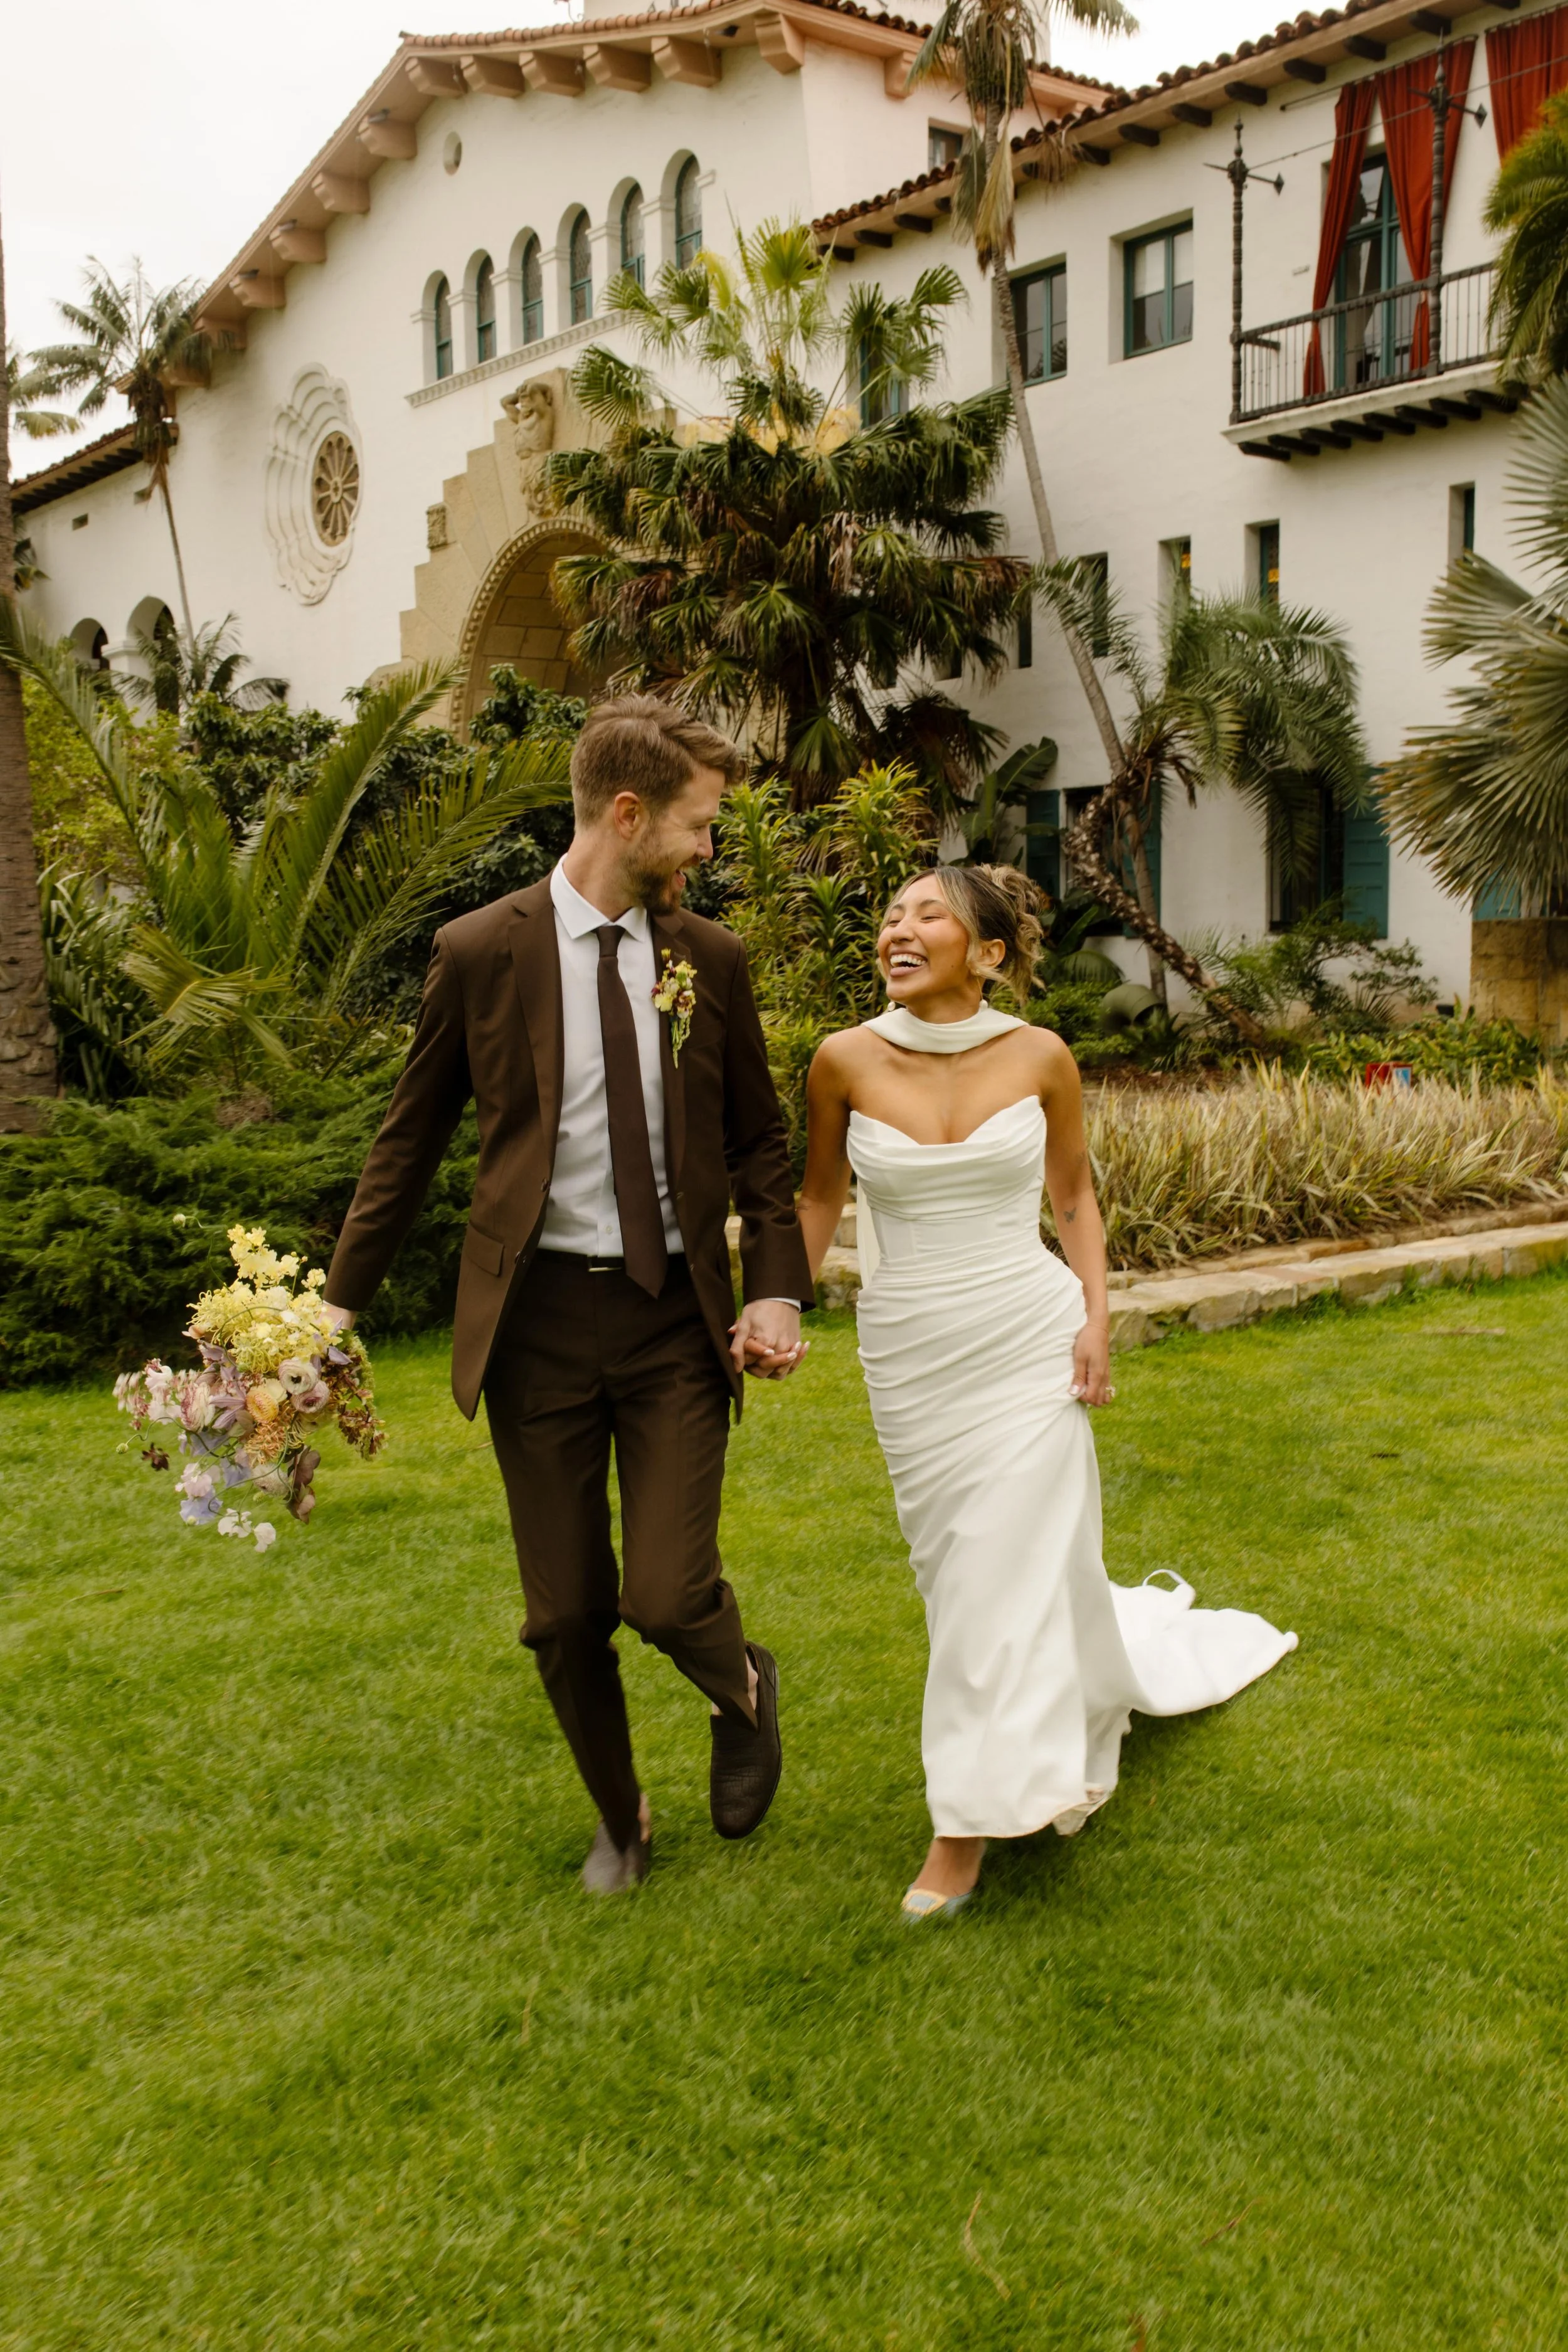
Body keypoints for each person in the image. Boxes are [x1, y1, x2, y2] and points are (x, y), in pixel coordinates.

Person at [322, 695, 813, 1895]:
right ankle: (621, 1816)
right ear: (630, 814)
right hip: (534, 1328)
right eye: (699, 826)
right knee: (564, 1613)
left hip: (670, 1326)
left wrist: (779, 1290)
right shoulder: (480, 950)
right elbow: (409, 1139)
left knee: (663, 1591)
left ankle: (742, 1687)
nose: (709, 850)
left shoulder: (710, 959)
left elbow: (760, 1140)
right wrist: (334, 1307)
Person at [796, 866, 1296, 1920]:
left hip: (1026, 1331)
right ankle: (1052, 1716)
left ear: (985, 950)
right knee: (960, 1573)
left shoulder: (1040, 1056)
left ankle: (963, 1828)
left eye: (927, 912)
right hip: (913, 1350)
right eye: (890, 912)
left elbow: (1074, 1195)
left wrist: (1094, 1316)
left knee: (994, 1575)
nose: (899, 926)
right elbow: (819, 1195)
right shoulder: (841, 1060)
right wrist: (780, 1305)